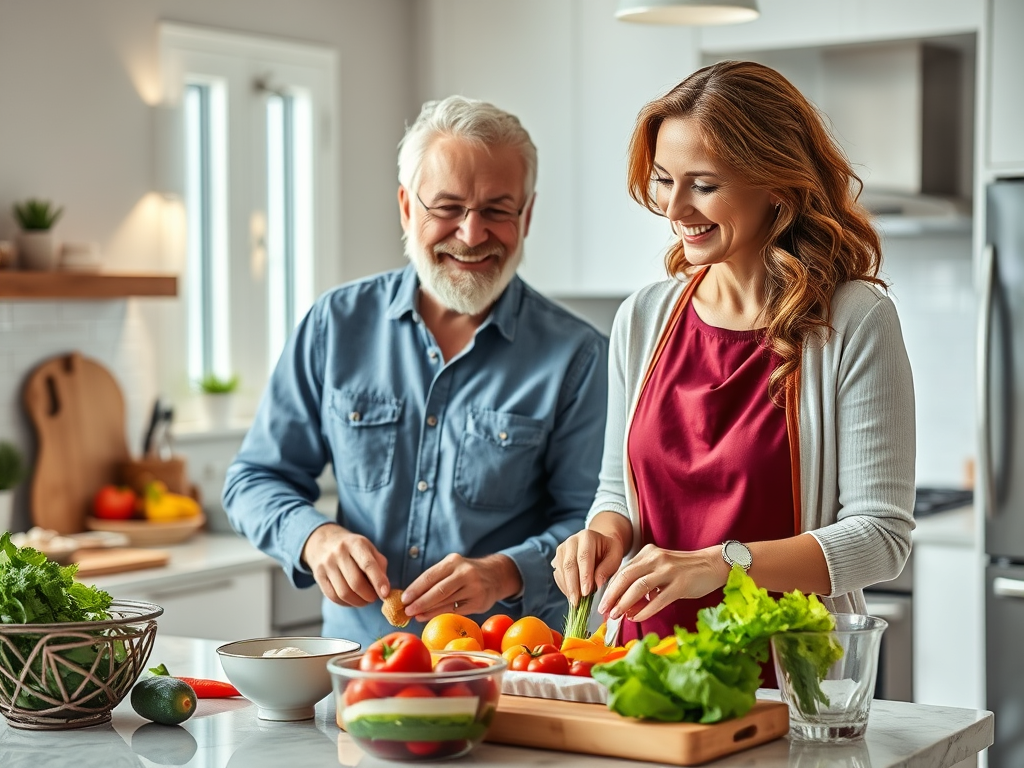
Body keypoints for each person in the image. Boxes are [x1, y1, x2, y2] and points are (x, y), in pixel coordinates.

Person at [551, 61, 915, 678]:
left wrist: (724, 562)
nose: (675, 207)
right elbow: (618, 492)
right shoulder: (643, 317)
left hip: (783, 680)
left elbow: (881, 539)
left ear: (777, 184)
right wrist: (602, 534)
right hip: (638, 669)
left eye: (705, 184)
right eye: (665, 180)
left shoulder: (854, 320)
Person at [223, 96, 608, 648]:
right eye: (447, 207)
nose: (472, 235)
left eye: (498, 210)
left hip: (510, 668)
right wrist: (315, 538)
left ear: (526, 214)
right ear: (407, 207)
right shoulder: (335, 324)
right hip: (357, 663)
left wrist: (505, 571)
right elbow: (255, 478)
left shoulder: (579, 356)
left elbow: (592, 522)